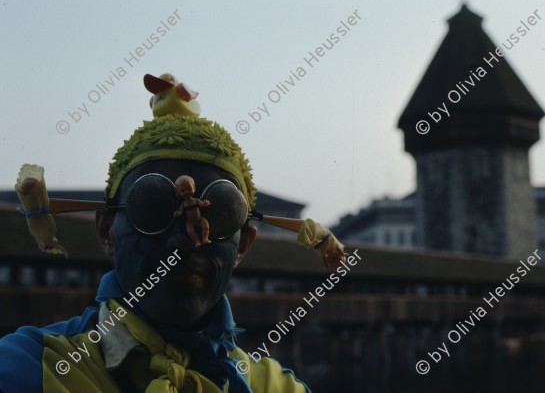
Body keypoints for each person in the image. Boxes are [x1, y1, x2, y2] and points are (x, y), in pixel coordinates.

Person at [0, 76, 312, 392]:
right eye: (150, 207)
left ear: (243, 243)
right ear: (106, 230)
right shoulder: (30, 368)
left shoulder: (274, 387)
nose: (185, 241)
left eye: (221, 214)